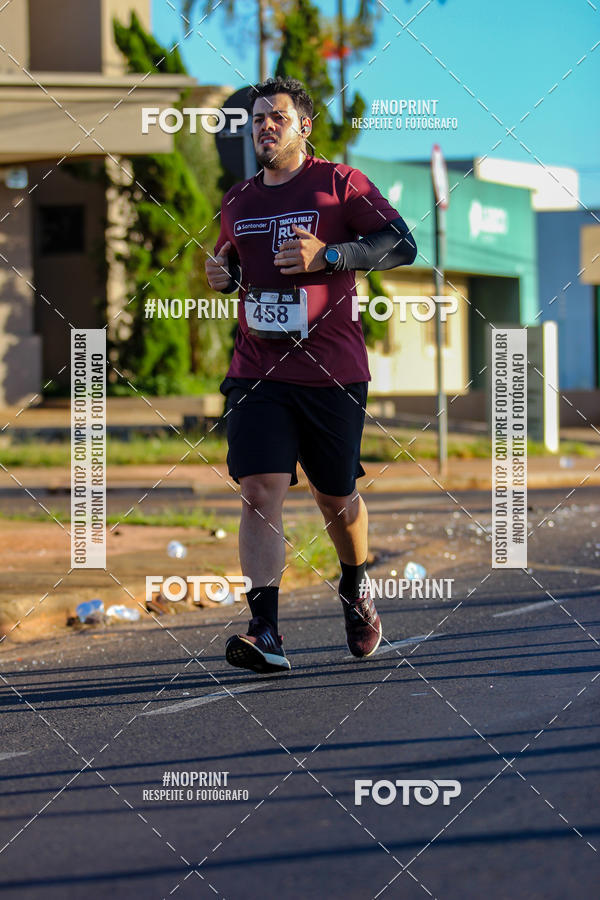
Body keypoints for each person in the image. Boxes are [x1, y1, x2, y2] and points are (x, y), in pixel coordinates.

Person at [205, 76, 417, 674]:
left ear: (304, 127)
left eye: (277, 116)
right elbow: (230, 265)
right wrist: (223, 278)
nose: (264, 125)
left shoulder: (339, 184)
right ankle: (265, 630)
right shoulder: (238, 200)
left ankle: (355, 588)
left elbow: (402, 243)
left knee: (335, 496)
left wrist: (330, 255)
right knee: (259, 490)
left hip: (332, 373)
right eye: (257, 118)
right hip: (257, 370)